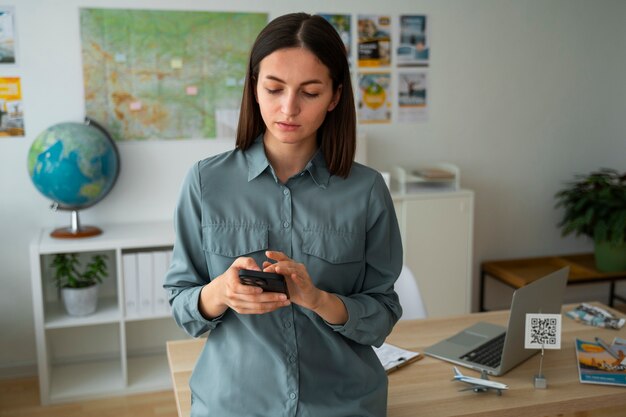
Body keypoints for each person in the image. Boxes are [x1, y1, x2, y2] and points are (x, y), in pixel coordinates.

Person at [164, 12, 403, 417]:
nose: (288, 108)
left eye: (309, 92)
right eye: (274, 88)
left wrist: (319, 300)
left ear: (335, 97)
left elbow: (382, 313)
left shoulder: (366, 191)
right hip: (235, 403)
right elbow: (182, 304)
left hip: (343, 404)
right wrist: (221, 292)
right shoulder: (205, 182)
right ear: (254, 88)